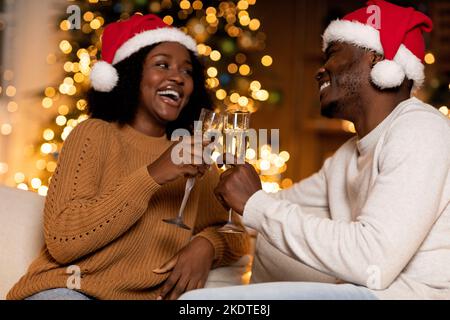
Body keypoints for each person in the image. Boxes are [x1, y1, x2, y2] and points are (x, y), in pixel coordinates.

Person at [180, 0, 450, 300]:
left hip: (404, 296)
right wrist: (208, 241)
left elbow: (374, 262)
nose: (320, 71)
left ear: (376, 60)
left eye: (332, 54)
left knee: (197, 305)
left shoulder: (420, 129)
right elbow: (264, 211)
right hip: (358, 291)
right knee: (207, 288)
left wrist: (256, 204)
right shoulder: (346, 157)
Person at [7, 14, 249, 300]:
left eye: (187, 72)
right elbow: (63, 241)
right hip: (66, 291)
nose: (178, 78)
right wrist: (154, 174)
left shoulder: (194, 157)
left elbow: (236, 234)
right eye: (162, 65)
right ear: (133, 73)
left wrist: (207, 246)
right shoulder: (94, 134)